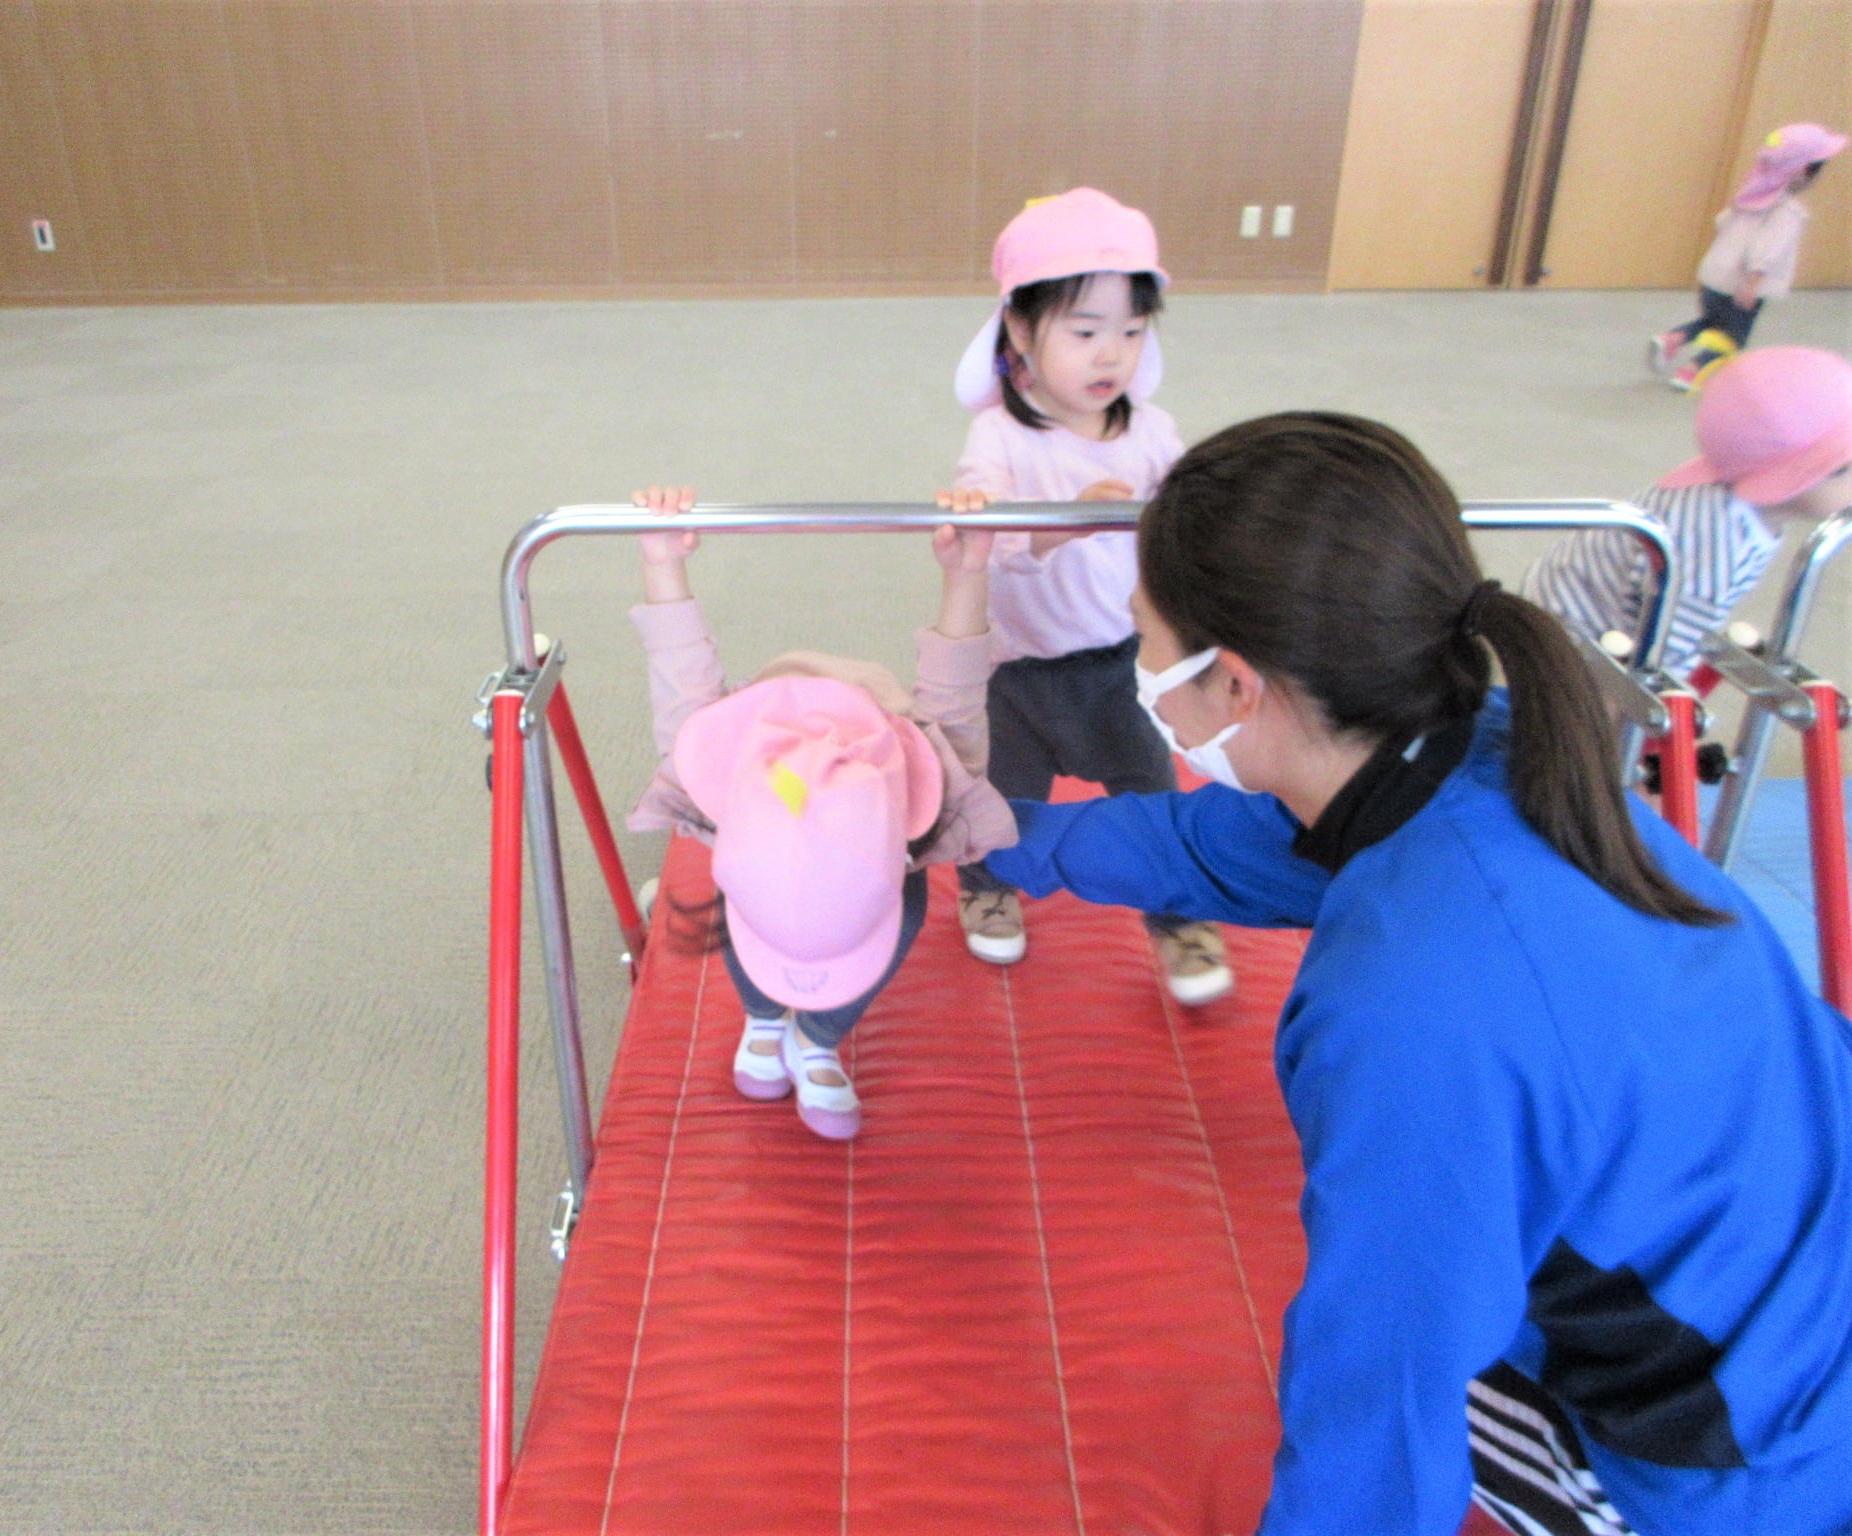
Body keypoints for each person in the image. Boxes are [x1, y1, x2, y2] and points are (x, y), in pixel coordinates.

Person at [982, 413, 1852, 1535]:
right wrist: (986, 833)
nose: (1137, 668)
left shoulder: (1403, 1010)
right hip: (1792, 1257)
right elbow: (1224, 847)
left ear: (1232, 684)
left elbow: (1379, 1404)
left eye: (1140, 637)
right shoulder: (1482, 747)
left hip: (1756, 1462)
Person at [623, 486, 1015, 1141]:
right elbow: (678, 670)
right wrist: (661, 561)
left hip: (869, 747)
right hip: (768, 776)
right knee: (750, 896)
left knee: (908, 907)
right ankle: (765, 1018)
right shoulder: (720, 773)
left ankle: (815, 1035)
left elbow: (957, 684)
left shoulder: (930, 777)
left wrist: (969, 571)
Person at [939, 186, 1232, 1007]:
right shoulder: (999, 436)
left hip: (1125, 667)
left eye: (1132, 332)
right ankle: (985, 887)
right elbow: (988, 538)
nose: (1112, 355)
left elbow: (1191, 514)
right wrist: (1056, 526)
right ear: (1020, 332)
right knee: (1000, 801)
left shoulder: (1152, 432)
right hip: (1018, 673)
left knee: (1153, 797)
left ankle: (1180, 920)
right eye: (1085, 331)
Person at [1530, 344, 1852, 673]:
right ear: (1784, 478)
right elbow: (1660, 657)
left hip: (1576, 601)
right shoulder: (1715, 546)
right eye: (1842, 469)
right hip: (1569, 637)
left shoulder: (1737, 492)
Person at [1651, 122, 1846, 392]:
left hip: (1714, 276)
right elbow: (1768, 248)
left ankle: (1673, 338)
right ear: (1804, 171)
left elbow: (1721, 225)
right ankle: (1693, 370)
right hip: (1741, 285)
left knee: (1713, 321)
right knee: (1733, 337)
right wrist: (1753, 281)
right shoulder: (1787, 212)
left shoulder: (1747, 199)